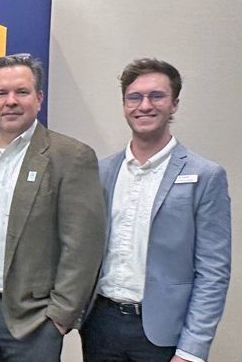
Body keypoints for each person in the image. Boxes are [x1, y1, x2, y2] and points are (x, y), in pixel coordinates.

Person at [0, 53, 105, 361]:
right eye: (1, 93)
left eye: (22, 92)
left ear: (39, 98)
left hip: (33, 323)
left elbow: (83, 246)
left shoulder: (71, 157)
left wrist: (59, 317)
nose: (11, 101)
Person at [80, 58, 231, 362]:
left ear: (174, 104)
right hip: (100, 326)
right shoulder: (102, 171)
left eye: (157, 96)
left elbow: (213, 271)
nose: (145, 105)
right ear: (124, 105)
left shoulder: (205, 175)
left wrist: (192, 349)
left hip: (164, 334)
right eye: (134, 97)